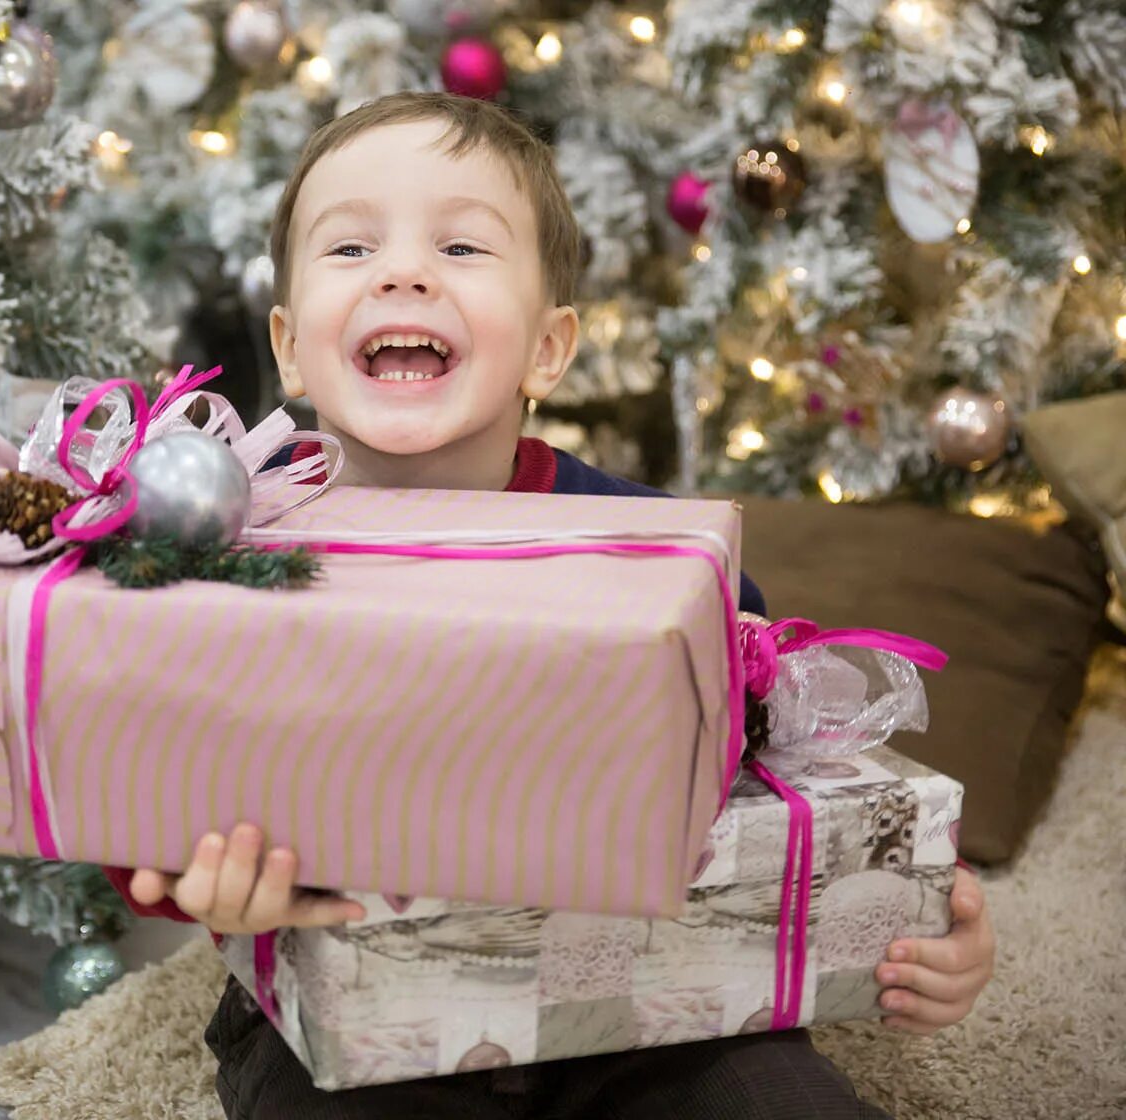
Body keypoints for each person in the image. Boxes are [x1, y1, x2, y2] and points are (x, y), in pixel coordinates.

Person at [104, 91, 995, 1119]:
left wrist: (927, 905)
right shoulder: (236, 550)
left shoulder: (652, 557)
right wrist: (183, 871)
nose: (403, 271)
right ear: (292, 342)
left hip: (639, 994)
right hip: (346, 997)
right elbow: (148, 758)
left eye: (463, 247)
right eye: (350, 249)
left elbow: (786, 756)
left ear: (549, 346)